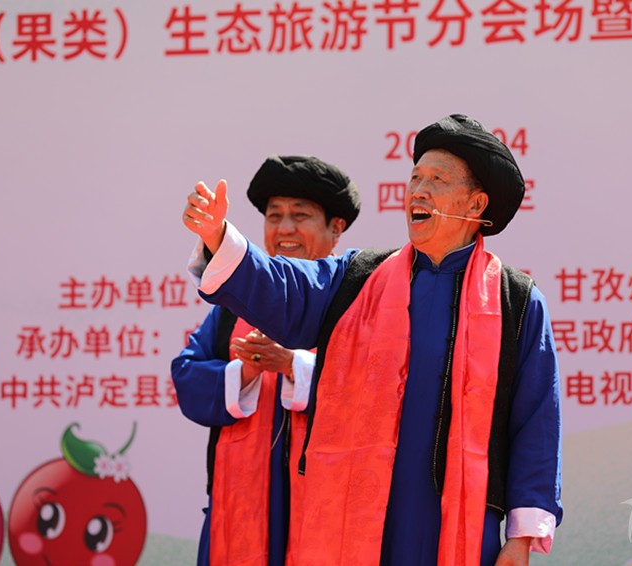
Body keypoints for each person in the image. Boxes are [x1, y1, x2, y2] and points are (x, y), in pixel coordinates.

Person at [182, 115, 563, 566]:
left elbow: (535, 422)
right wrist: (219, 238)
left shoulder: (515, 300)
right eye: (415, 178)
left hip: (457, 521)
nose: (418, 191)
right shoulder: (358, 277)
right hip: (358, 515)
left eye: (437, 180)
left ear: (476, 203)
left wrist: (521, 540)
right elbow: (287, 286)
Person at [172, 155, 361, 566]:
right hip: (236, 518)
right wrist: (246, 370)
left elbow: (376, 391)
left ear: (336, 228)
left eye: (300, 215)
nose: (284, 228)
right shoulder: (232, 309)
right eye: (274, 216)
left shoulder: (355, 305)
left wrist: (293, 366)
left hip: (326, 520)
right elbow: (186, 377)